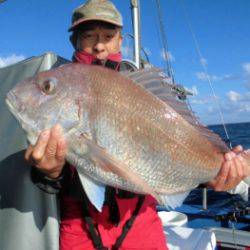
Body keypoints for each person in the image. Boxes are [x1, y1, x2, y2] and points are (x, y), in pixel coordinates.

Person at [25, 0, 249, 249]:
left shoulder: (145, 88)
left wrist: (217, 175)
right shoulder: (63, 92)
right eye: (89, 36)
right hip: (80, 225)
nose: (99, 45)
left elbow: (177, 152)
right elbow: (49, 176)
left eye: (108, 36)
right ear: (74, 42)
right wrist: (50, 172)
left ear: (121, 41)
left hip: (141, 222)